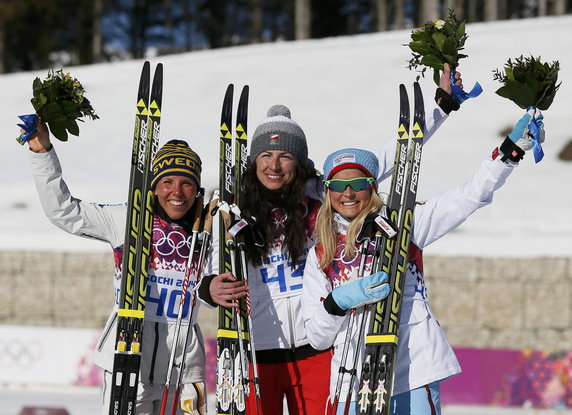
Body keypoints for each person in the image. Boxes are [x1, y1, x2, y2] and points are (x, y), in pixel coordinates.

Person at [199, 64, 464, 414]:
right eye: (266, 155)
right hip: (256, 351)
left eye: (285, 156)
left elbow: (385, 161)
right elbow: (210, 271)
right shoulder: (233, 211)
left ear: (299, 162)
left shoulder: (320, 197)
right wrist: (209, 289)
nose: (274, 166)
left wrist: (440, 107)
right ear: (254, 161)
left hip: (316, 350)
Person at [301, 108, 545, 414]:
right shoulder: (321, 253)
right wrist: (336, 302)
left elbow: (468, 196)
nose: (347, 193)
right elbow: (318, 338)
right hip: (354, 379)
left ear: (372, 186)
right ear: (328, 192)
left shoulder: (404, 224)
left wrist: (509, 152)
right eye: (337, 186)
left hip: (413, 369)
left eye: (358, 184)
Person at [24, 120, 211, 415]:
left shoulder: (208, 230)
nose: (177, 191)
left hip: (183, 370)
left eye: (186, 183)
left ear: (196, 189)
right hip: (127, 361)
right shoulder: (127, 220)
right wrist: (42, 151)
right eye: (167, 182)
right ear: (154, 186)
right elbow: (64, 211)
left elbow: (213, 287)